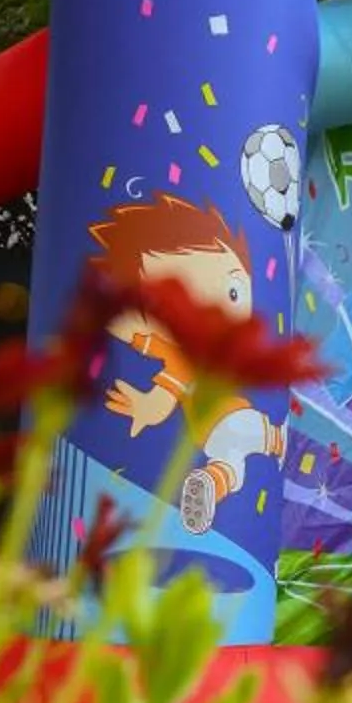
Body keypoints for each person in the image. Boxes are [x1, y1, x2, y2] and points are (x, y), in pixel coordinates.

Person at [88, 196, 289, 534]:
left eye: (233, 293)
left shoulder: (193, 358)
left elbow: (162, 393)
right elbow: (160, 355)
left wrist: (145, 406)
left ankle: (247, 459)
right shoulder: (187, 355)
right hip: (224, 427)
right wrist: (128, 333)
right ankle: (225, 474)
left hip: (219, 425)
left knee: (237, 455)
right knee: (235, 459)